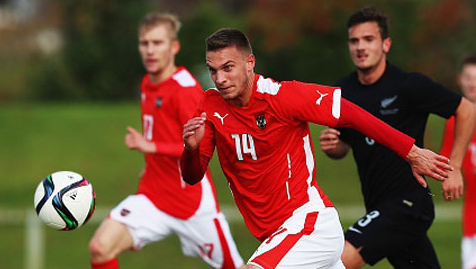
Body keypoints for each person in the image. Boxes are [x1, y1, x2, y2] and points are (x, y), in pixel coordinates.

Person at [181, 28, 454, 269]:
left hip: (308, 225)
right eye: (213, 70)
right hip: (276, 236)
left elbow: (350, 113)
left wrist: (412, 152)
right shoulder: (209, 106)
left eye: (228, 67)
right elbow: (192, 176)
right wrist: (191, 149)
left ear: (249, 63)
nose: (219, 78)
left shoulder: (282, 97)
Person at [319, 7, 476, 269]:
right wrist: (336, 147)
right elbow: (344, 146)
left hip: (409, 204)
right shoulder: (341, 91)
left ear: (386, 44)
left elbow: (466, 109)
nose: (360, 47)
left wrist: (455, 166)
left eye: (369, 39)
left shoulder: (407, 85)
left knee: (338, 261)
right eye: (354, 40)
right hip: (378, 206)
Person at [88, 13, 244, 269]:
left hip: (192, 204)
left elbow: (202, 147)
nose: (150, 50)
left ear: (174, 47)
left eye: (157, 43)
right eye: (144, 43)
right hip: (153, 196)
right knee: (100, 247)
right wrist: (150, 159)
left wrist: (152, 148)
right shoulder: (147, 83)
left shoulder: (184, 89)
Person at [440, 54, 476, 269]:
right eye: (468, 77)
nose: (472, 82)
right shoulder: (454, 122)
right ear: (459, 79)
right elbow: (447, 163)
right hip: (471, 218)